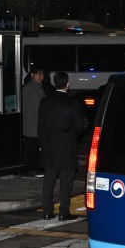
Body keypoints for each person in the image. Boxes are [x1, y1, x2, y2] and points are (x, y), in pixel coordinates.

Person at [38, 71, 84, 221]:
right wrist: (73, 136)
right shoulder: (72, 103)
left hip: (49, 146)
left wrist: (41, 143)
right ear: (67, 85)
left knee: (49, 179)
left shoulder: (45, 102)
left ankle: (47, 211)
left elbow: (40, 125)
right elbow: (79, 126)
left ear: (54, 83)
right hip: (66, 146)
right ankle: (64, 212)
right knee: (66, 180)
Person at [22, 65, 46, 177]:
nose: (40, 76)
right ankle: (31, 169)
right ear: (32, 75)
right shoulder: (29, 88)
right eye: (37, 74)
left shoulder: (40, 87)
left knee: (36, 147)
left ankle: (35, 168)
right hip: (31, 123)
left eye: (42, 74)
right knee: (31, 147)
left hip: (37, 123)